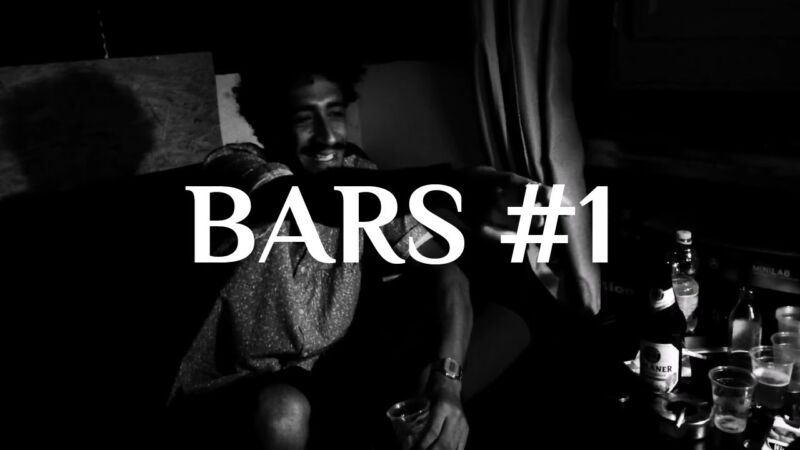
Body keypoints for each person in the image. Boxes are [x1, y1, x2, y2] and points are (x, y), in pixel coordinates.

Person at [169, 57, 553, 450]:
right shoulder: (234, 170)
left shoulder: (360, 177)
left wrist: (447, 383)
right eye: (304, 118)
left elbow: (448, 274)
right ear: (268, 125)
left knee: (510, 294)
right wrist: (457, 184)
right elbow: (307, 198)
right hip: (230, 380)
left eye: (334, 113)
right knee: (283, 411)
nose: (326, 136)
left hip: (320, 368)